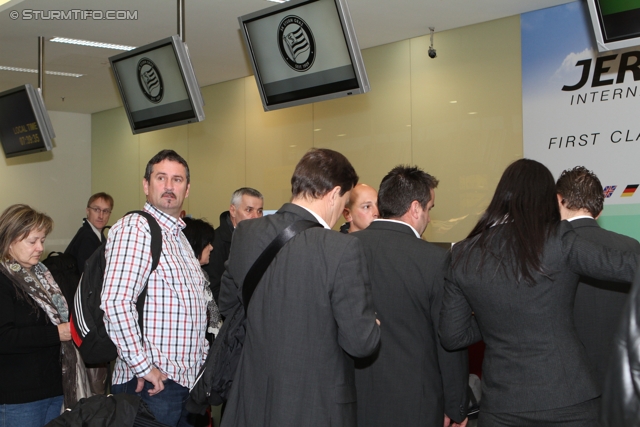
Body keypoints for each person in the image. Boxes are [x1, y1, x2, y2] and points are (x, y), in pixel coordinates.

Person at [438, 158, 638, 427]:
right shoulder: (559, 240)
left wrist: (495, 318)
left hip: (501, 405)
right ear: (549, 199)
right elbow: (628, 266)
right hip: (568, 401)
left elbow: (453, 335)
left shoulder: (461, 254)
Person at [219, 148, 381, 427]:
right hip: (315, 407)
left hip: (251, 398)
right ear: (333, 194)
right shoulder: (341, 248)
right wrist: (373, 325)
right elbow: (360, 342)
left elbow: (227, 304)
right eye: (343, 201)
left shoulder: (245, 233)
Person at [352, 166, 469, 427]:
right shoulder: (435, 260)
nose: (428, 218)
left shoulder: (343, 249)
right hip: (417, 404)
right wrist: (456, 405)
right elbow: (448, 339)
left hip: (352, 399)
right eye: (430, 209)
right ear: (416, 208)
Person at [102, 150, 209, 427]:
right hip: (152, 386)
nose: (170, 186)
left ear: (187, 188)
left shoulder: (180, 238)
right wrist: (142, 366)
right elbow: (116, 302)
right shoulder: (137, 228)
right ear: (146, 185)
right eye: (161, 178)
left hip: (184, 383)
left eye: (178, 179)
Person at [0, 204, 85, 426]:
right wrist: (56, 333)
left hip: (54, 388)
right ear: (9, 241)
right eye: (32, 241)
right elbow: (4, 338)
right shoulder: (3, 280)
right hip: (19, 397)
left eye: (42, 240)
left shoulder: (41, 275)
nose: (39, 247)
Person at [556, 166, 640, 388]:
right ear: (599, 209)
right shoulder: (630, 247)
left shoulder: (549, 250)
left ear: (559, 201)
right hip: (621, 377)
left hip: (566, 380)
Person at [203, 187, 263, 304]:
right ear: (233, 210)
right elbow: (214, 292)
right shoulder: (214, 244)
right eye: (249, 210)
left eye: (259, 211)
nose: (256, 216)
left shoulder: (261, 240)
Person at [182, 217, 222, 340]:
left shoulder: (202, 275)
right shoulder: (185, 280)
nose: (211, 248)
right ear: (194, 244)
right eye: (207, 243)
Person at [65, 192, 114, 274]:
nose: (101, 216)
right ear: (87, 211)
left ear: (109, 214)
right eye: (96, 210)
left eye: (105, 211)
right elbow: (89, 277)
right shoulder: (88, 237)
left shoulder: (96, 235)